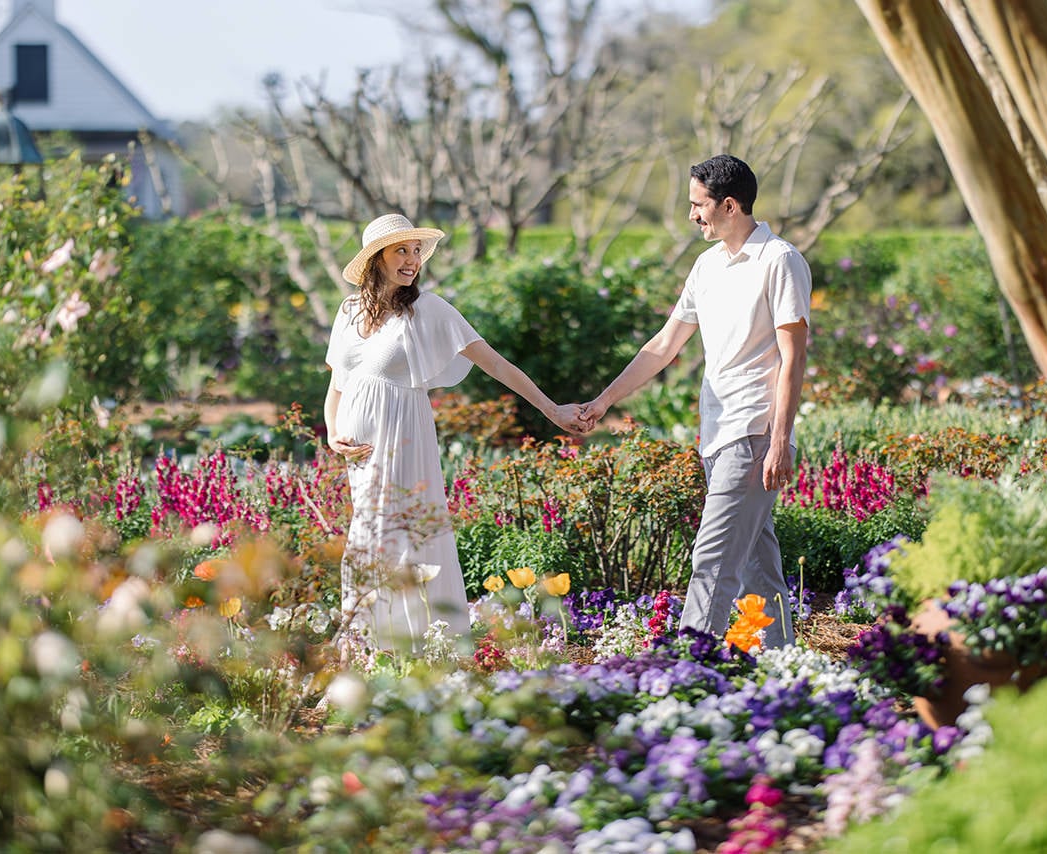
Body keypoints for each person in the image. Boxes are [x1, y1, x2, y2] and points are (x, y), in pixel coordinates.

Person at [325, 213, 588, 652]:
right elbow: (337, 384)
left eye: (416, 251)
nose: (412, 260)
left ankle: (419, 643)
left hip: (403, 440)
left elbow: (496, 363)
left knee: (405, 534)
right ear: (376, 258)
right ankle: (367, 642)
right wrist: (333, 433)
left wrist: (550, 409)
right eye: (401, 251)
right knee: (368, 535)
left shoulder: (427, 309)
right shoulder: (349, 311)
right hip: (362, 456)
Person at [580, 154, 812, 648]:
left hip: (754, 432)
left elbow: (793, 358)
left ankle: (689, 666)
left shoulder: (780, 260)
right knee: (756, 567)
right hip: (717, 434)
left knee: (712, 560)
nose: (691, 215)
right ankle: (782, 665)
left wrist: (779, 441)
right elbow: (665, 345)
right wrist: (604, 401)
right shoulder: (707, 265)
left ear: (729, 205)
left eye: (698, 204)